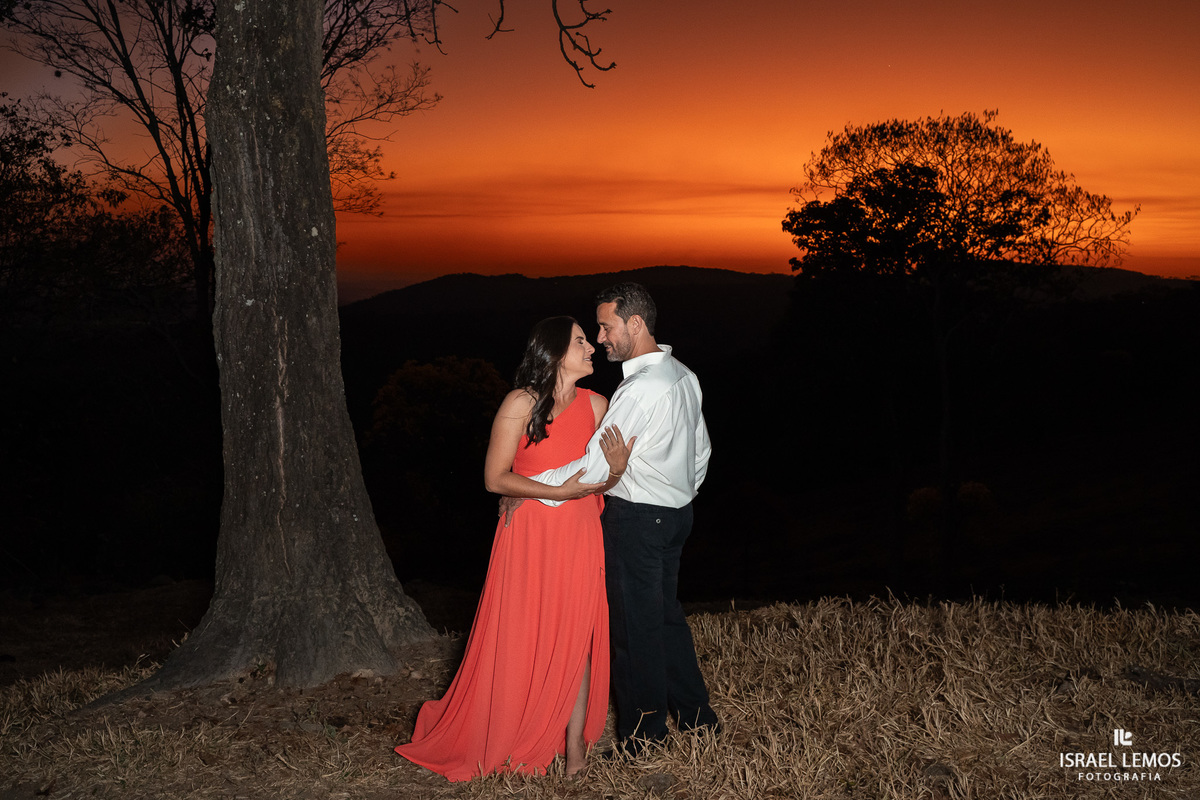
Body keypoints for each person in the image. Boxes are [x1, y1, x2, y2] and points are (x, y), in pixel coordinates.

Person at [394, 316, 632, 781]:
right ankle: (510, 729)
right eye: (581, 341)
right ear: (554, 352)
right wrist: (550, 491)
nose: (591, 348)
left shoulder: (598, 405)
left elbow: (598, 479)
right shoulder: (520, 402)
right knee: (521, 634)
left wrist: (618, 470)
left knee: (577, 639)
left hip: (580, 534)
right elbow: (494, 477)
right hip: (528, 539)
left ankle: (575, 751)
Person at [525, 282, 718, 753]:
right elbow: (702, 451)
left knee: (636, 632)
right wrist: (679, 493)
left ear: (635, 323)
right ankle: (698, 721)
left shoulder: (638, 389)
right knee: (665, 620)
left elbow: (595, 468)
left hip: (638, 521)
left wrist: (531, 487)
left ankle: (642, 742)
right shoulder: (683, 374)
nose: (600, 338)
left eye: (606, 326)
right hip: (676, 517)